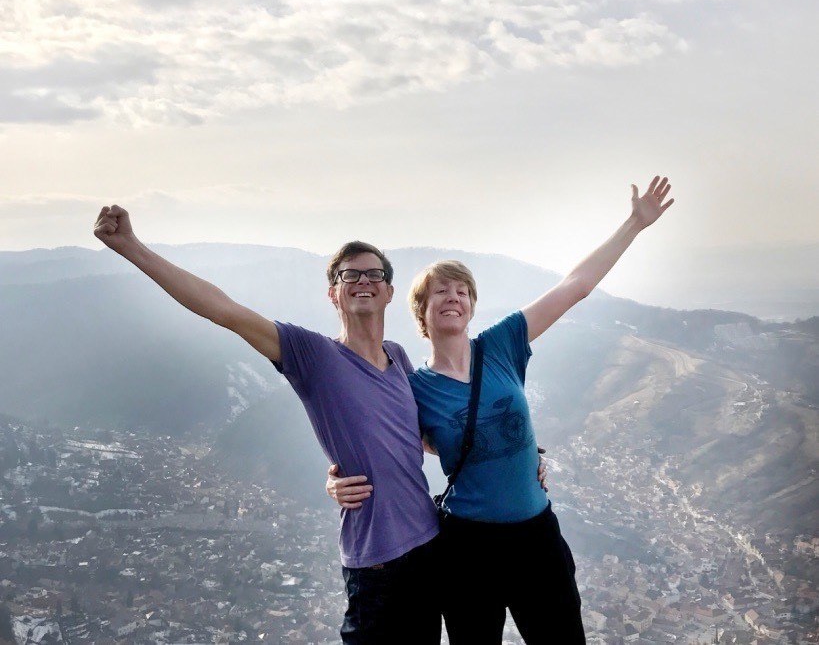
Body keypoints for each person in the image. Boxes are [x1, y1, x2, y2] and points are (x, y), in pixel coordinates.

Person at [326, 176, 675, 644]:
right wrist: (335, 478)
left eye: (462, 291)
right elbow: (382, 440)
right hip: (467, 547)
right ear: (421, 311)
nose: (453, 297)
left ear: (472, 306)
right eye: (440, 292)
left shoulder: (504, 344)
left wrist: (633, 223)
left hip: (536, 538)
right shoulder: (414, 388)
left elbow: (576, 286)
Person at [92, 212, 441, 644]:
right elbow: (225, 311)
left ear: (389, 291)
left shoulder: (399, 357)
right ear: (333, 293)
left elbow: (428, 438)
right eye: (349, 275)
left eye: (374, 273)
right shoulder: (313, 355)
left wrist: (520, 459)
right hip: (377, 560)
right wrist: (130, 246)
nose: (363, 281)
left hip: (429, 546)